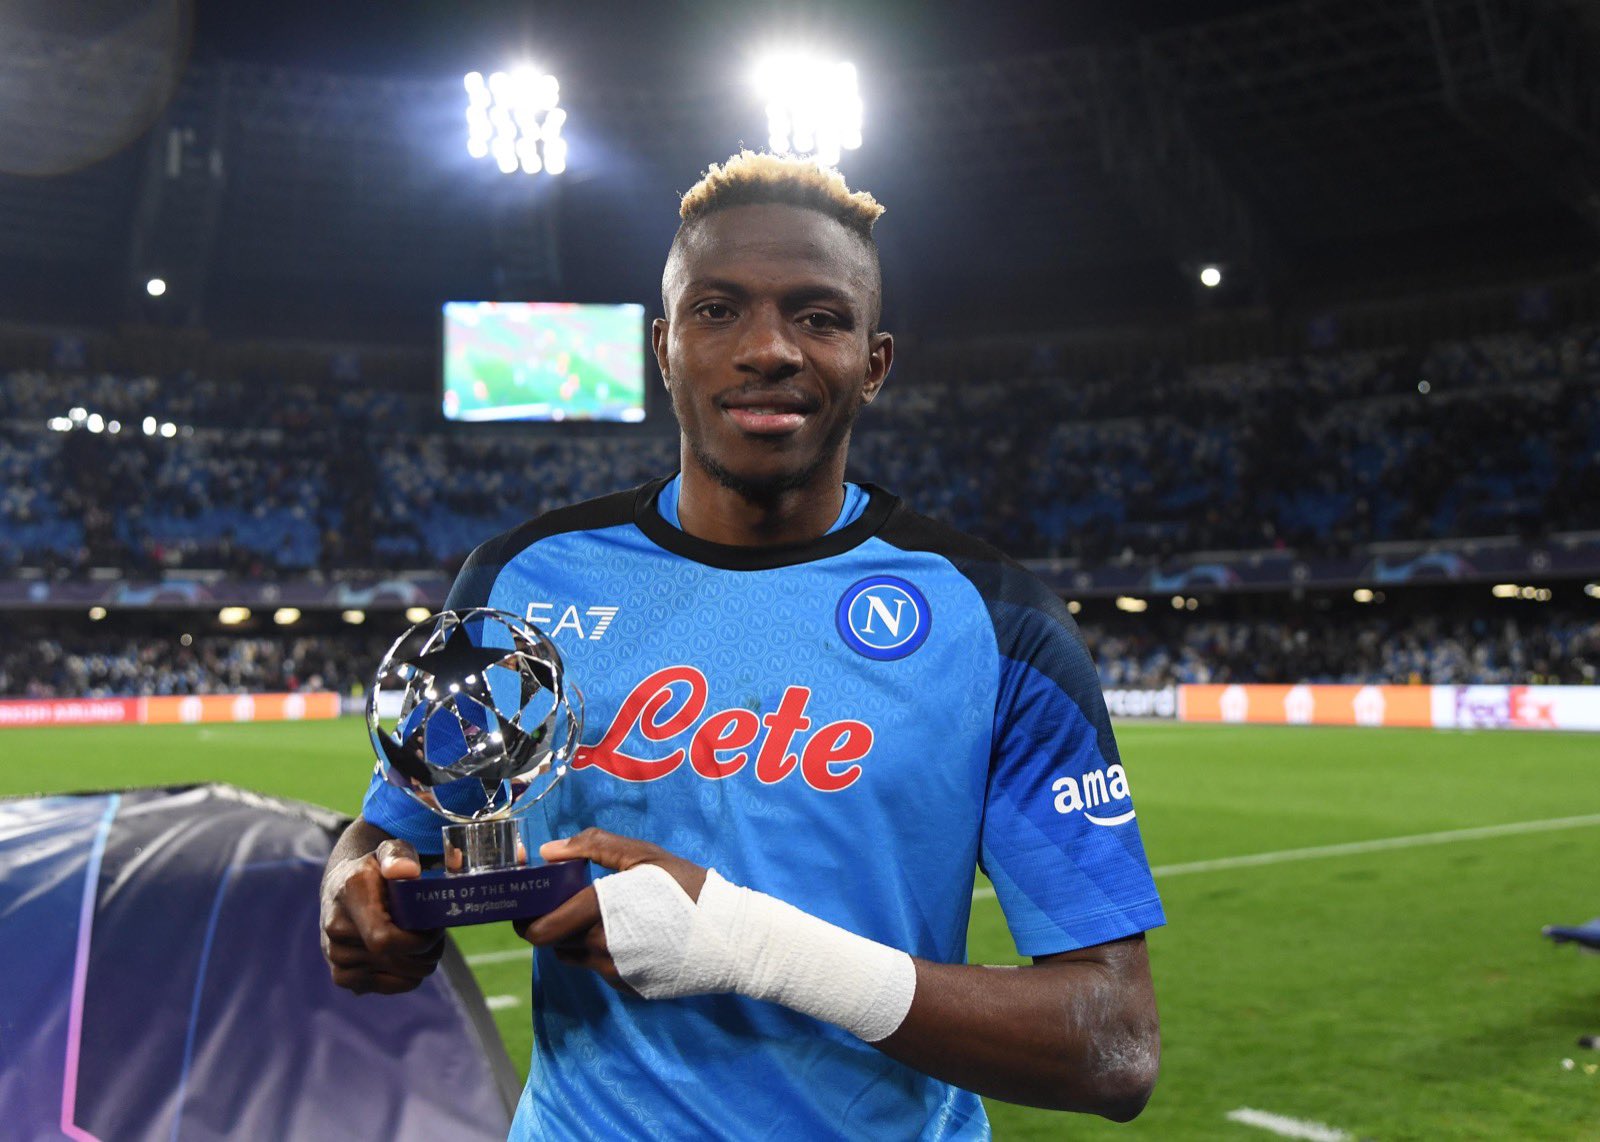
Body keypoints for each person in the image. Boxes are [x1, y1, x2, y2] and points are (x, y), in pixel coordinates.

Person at [321, 151, 1164, 1139]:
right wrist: (358, 894)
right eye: (717, 310)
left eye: (819, 317)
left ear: (874, 363)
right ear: (664, 347)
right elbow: (394, 838)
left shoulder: (998, 622)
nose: (767, 349)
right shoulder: (519, 583)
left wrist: (743, 940)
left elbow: (1114, 1047)